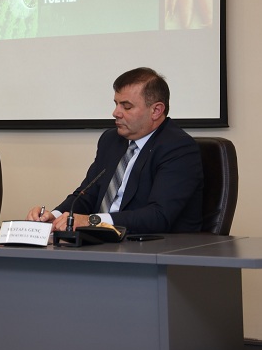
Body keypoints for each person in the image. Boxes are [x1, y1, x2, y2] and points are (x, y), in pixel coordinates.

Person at [27, 67, 203, 234]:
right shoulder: (111, 140)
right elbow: (86, 195)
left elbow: (159, 216)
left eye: (126, 106)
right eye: (116, 104)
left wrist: (93, 221)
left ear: (156, 110)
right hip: (103, 241)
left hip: (153, 246)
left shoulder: (178, 148)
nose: (115, 112)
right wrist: (55, 216)